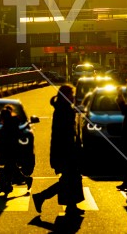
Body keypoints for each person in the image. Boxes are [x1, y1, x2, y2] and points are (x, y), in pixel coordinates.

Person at [32, 84, 85, 216]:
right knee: (70, 179)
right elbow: (63, 134)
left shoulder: (64, 108)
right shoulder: (63, 110)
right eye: (71, 94)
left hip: (66, 150)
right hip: (65, 151)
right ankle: (41, 197)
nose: (73, 97)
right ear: (65, 96)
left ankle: (71, 205)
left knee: (71, 179)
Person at [0, 104, 33, 194]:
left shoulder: (9, 125)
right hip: (12, 149)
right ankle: (9, 185)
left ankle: (23, 180)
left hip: (10, 149)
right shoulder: (11, 123)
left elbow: (5, 135)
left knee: (10, 167)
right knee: (11, 167)